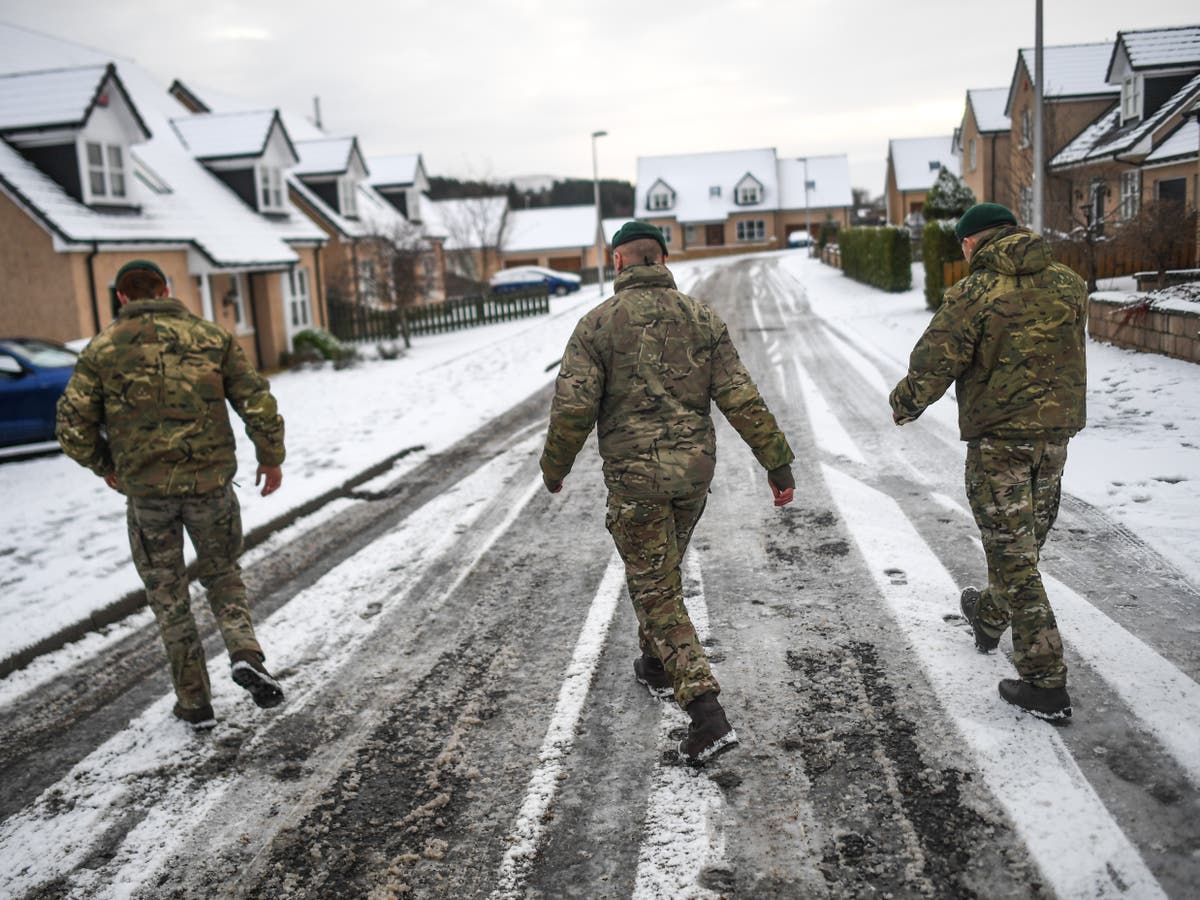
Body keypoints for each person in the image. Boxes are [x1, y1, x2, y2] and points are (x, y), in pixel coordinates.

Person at [540, 222, 795, 764]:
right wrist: (777, 461)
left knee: (655, 588)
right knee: (661, 571)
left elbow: (573, 407)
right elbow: (740, 395)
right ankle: (656, 663)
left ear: (618, 262)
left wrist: (554, 465)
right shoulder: (701, 318)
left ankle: (706, 714)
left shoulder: (596, 325)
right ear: (661, 257)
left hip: (638, 482)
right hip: (692, 479)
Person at [56, 259, 287, 731]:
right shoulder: (211, 337)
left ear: (121, 297)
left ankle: (194, 701)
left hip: (148, 498)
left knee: (168, 596)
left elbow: (70, 426)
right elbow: (257, 400)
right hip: (210, 489)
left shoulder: (101, 349)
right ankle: (245, 652)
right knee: (223, 576)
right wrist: (270, 456)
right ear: (166, 289)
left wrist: (107, 465)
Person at [889, 203, 1087, 723]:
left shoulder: (973, 293)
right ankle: (988, 616)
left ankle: (1045, 683)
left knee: (1015, 559)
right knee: (1021, 552)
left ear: (972, 243)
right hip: (1054, 438)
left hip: (999, 446)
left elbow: (935, 360)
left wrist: (904, 403)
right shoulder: (1069, 283)